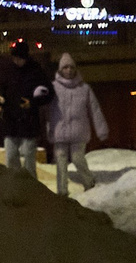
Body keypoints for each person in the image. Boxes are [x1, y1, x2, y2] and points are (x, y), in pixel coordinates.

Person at [44, 52, 108, 193]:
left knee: (78, 159)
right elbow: (48, 111)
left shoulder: (84, 89)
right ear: (60, 70)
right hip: (59, 131)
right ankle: (62, 191)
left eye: (71, 67)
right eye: (65, 67)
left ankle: (89, 181)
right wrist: (49, 129)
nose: (69, 70)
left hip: (79, 131)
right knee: (60, 162)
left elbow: (94, 109)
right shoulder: (53, 88)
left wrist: (101, 130)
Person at [0, 38, 51, 175]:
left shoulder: (35, 70)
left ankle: (30, 188)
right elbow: (0, 88)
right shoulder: (7, 70)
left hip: (28, 121)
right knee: (11, 158)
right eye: (15, 58)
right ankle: (15, 186)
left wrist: (32, 103)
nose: (17, 61)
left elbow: (47, 92)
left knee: (29, 159)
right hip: (11, 119)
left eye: (19, 58)